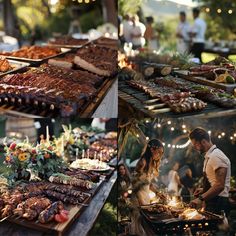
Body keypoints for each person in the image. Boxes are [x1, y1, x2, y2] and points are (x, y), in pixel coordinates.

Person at [189, 128, 231, 216]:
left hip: (219, 203)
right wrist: (204, 190)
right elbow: (214, 182)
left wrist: (200, 199)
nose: (195, 148)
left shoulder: (216, 156)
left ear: (203, 141)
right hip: (213, 201)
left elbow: (220, 185)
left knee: (218, 229)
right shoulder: (210, 156)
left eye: (196, 144)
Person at [130, 139, 165, 235]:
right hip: (138, 199)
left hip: (146, 198)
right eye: (159, 152)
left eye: (161, 153)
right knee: (140, 227)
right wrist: (141, 203)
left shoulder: (152, 163)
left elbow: (148, 185)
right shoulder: (142, 162)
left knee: (147, 226)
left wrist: (158, 193)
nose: (160, 155)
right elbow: (134, 183)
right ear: (152, 150)